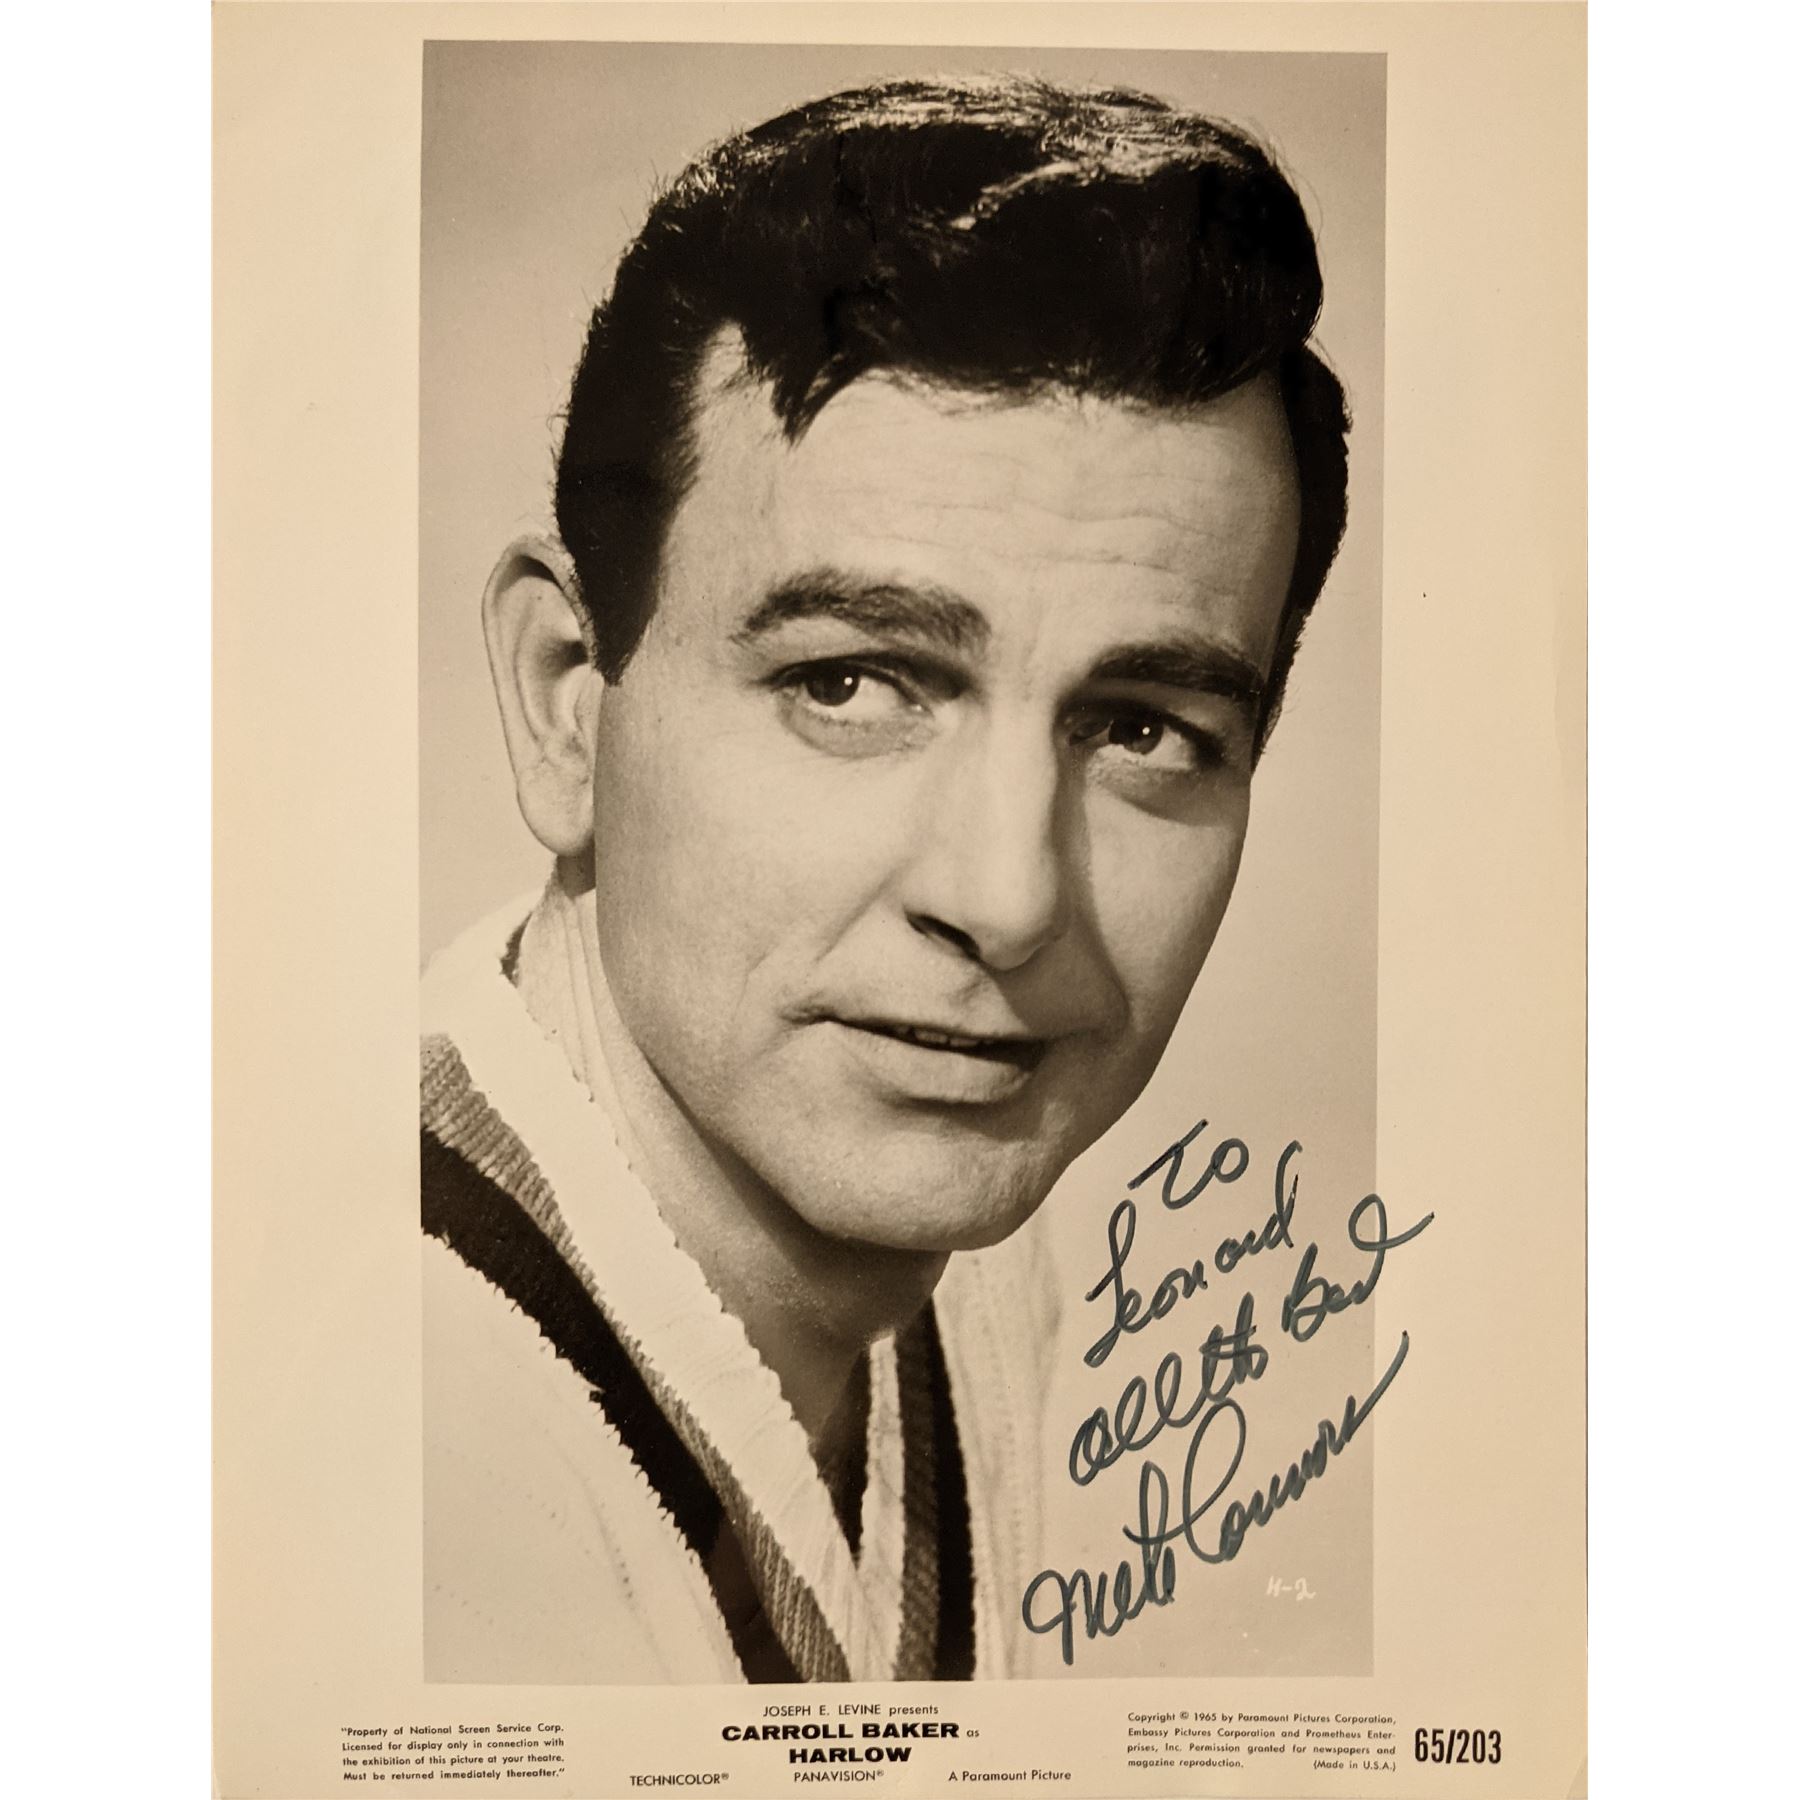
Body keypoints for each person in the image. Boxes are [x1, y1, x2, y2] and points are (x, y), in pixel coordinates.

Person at [420, 72, 1350, 1685]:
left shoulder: (987, 1283)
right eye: (851, 684)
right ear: (569, 697)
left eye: (1143, 727)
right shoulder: (382, 1429)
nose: (1009, 900)